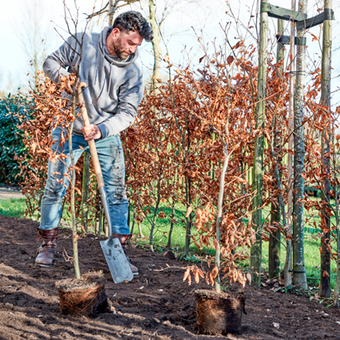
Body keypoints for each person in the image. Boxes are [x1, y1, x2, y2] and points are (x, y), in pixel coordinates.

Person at [35, 11, 153, 275]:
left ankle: (119, 250)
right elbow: (50, 63)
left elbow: (128, 113)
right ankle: (48, 244)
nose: (134, 49)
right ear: (115, 32)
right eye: (131, 42)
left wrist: (101, 129)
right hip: (68, 127)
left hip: (104, 133)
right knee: (55, 185)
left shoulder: (133, 72)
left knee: (117, 192)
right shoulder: (82, 43)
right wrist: (66, 81)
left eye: (138, 46)